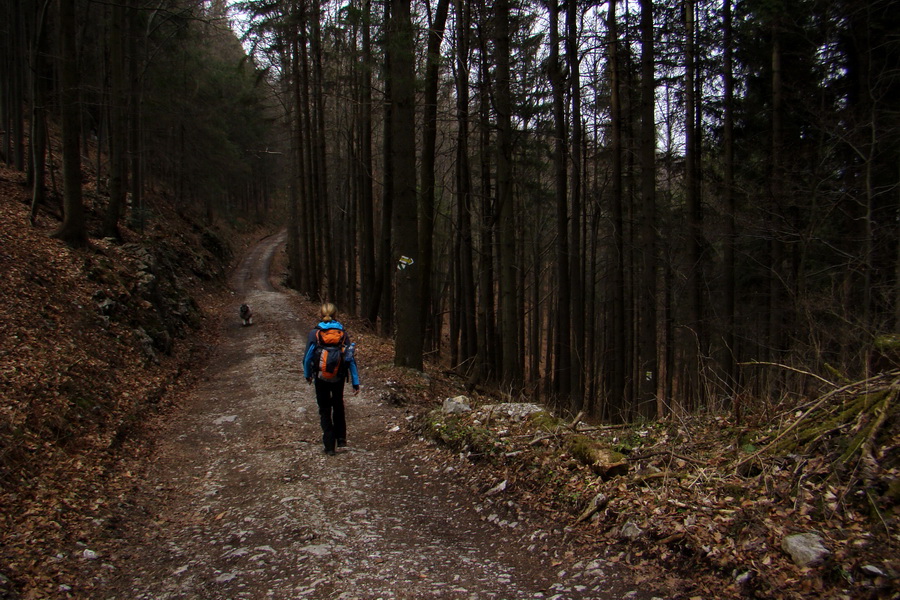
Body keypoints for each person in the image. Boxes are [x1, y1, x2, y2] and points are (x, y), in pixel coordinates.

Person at [303, 303, 360, 455]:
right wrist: (355, 381)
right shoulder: (342, 333)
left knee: (324, 409)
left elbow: (308, 357)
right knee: (338, 405)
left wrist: (307, 374)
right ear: (336, 315)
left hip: (321, 376)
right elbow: (350, 358)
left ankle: (329, 445)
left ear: (320, 315)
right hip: (338, 376)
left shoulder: (315, 333)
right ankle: (341, 438)